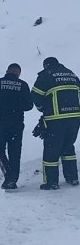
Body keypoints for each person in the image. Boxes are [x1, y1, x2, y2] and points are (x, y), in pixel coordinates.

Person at [31, 57, 80, 190]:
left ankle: (51, 182)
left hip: (56, 118)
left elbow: (35, 95)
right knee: (68, 147)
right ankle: (72, 177)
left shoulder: (47, 75)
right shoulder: (71, 74)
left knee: (51, 149)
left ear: (46, 65)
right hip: (75, 118)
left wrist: (43, 109)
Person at [0, 63, 33, 190]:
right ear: (18, 73)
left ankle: (9, 175)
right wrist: (16, 107)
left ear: (7, 71)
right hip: (16, 124)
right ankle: (12, 180)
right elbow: (29, 106)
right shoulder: (23, 85)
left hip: (0, 122)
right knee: (15, 152)